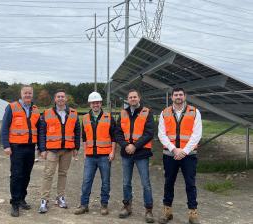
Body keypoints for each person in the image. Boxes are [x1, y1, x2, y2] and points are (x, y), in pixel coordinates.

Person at [158, 87, 202, 224]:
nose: (178, 97)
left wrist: (184, 151)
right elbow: (162, 134)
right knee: (168, 183)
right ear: (171, 97)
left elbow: (197, 134)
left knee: (190, 184)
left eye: (181, 94)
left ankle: (193, 213)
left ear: (185, 96)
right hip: (170, 155)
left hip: (188, 156)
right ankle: (167, 212)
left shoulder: (194, 112)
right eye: (176, 95)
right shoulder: (164, 113)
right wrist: (174, 149)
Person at [38, 89, 80, 213]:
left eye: (63, 96)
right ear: (55, 99)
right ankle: (44, 200)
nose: (61, 98)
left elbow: (77, 131)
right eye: (58, 97)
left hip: (67, 150)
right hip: (52, 150)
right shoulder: (47, 113)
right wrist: (42, 149)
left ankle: (60, 198)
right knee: (48, 174)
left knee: (63, 174)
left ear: (66, 99)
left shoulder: (73, 113)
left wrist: (76, 147)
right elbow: (42, 132)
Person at [1, 85, 40, 217]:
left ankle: (22, 198)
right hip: (16, 148)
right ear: (21, 94)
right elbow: (5, 127)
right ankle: (15, 203)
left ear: (32, 95)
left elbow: (39, 130)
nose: (28, 95)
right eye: (25, 93)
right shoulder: (12, 107)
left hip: (30, 148)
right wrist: (6, 145)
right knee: (16, 175)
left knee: (26, 175)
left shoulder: (35, 110)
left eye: (30, 93)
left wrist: (40, 147)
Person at [74, 92, 116, 216]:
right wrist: (85, 152)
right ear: (90, 104)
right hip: (90, 156)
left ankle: (104, 205)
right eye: (93, 102)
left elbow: (114, 137)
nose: (95, 104)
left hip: (105, 155)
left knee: (105, 181)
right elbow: (85, 138)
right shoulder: (86, 118)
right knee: (86, 181)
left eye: (97, 102)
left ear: (100, 103)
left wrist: (113, 152)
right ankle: (84, 205)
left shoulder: (109, 117)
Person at [116, 89, 154, 223]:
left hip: (141, 153)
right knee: (126, 182)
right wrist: (126, 145)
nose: (132, 99)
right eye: (130, 97)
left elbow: (149, 133)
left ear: (139, 98)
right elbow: (118, 133)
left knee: (145, 183)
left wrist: (134, 146)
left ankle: (148, 210)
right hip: (126, 153)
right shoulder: (123, 113)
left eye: (135, 97)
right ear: (128, 99)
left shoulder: (147, 112)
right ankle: (127, 206)